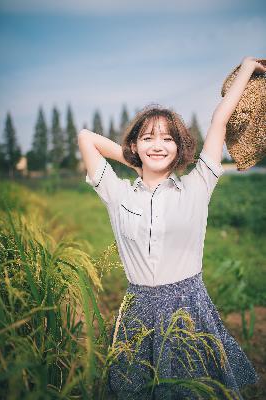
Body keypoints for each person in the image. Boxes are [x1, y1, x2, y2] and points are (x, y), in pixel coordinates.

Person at [78, 56, 264, 400]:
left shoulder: (198, 184)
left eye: (167, 139)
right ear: (134, 145)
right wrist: (136, 160)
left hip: (188, 306)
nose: (158, 144)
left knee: (190, 392)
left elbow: (220, 119)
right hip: (137, 309)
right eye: (148, 138)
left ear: (179, 147)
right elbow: (87, 137)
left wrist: (247, 68)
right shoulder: (117, 193)